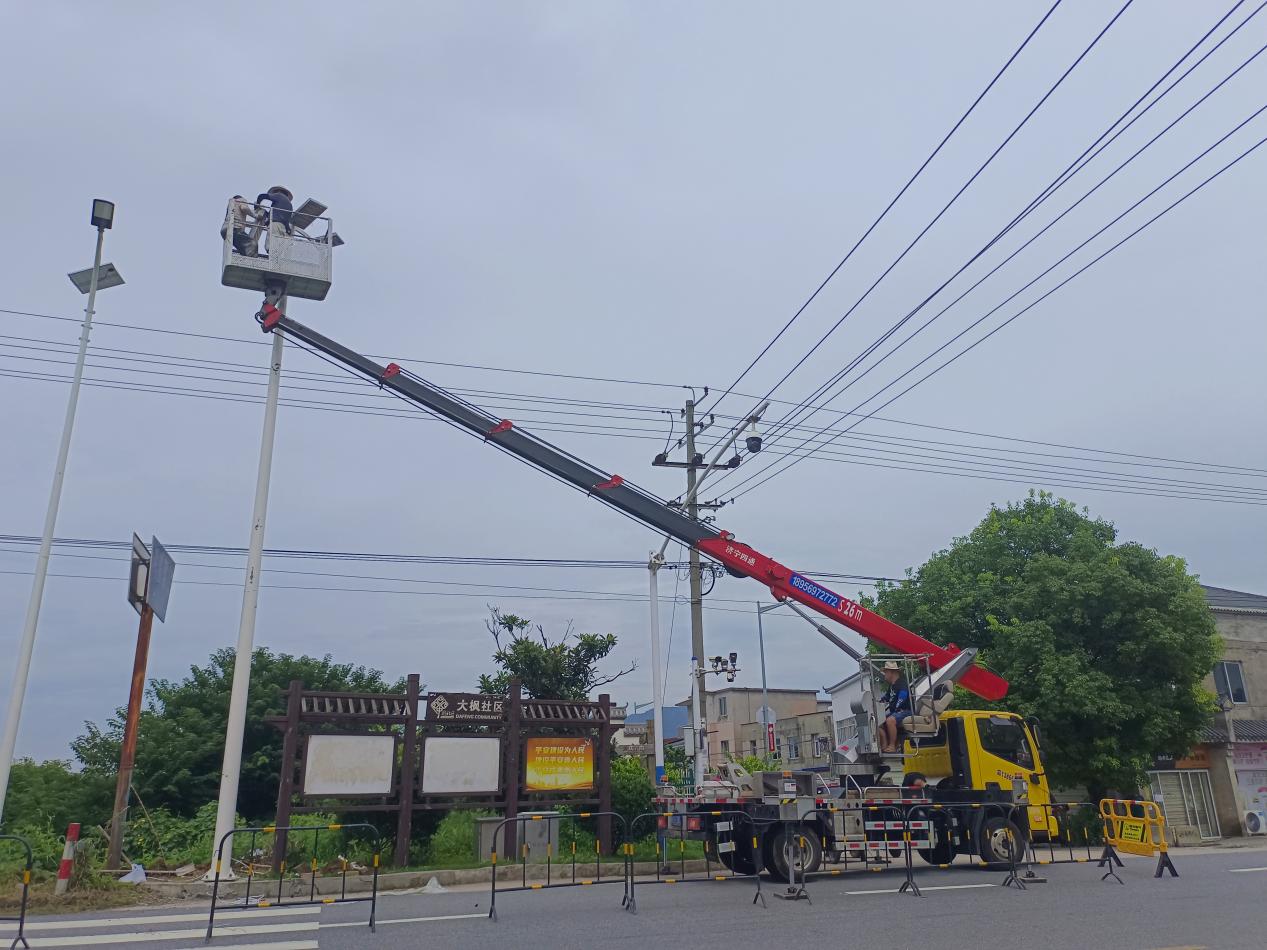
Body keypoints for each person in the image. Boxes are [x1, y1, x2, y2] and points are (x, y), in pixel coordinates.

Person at [878, 660, 911, 753]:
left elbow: (903, 695)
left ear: (891, 672)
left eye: (886, 672)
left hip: (905, 711)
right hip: (896, 712)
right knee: (880, 722)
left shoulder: (902, 683)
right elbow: (886, 697)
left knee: (890, 720)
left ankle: (892, 746)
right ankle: (885, 745)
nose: (884, 674)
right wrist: (878, 701)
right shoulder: (892, 686)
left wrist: (897, 707)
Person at [256, 185, 294, 253]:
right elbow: (282, 217)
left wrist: (257, 206)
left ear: (278, 191)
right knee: (281, 248)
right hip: (284, 228)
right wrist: (267, 221)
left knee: (271, 246)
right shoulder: (289, 204)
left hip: (275, 225)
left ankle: (272, 255)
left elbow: (261, 196)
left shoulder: (279, 195)